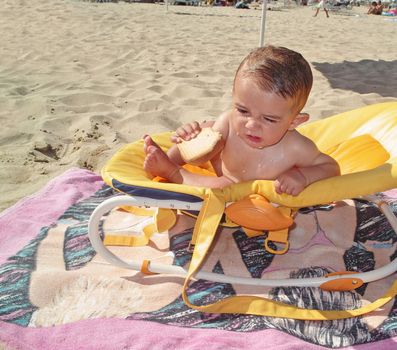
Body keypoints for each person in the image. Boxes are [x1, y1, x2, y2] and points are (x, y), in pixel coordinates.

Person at [143, 45, 340, 196]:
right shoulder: (229, 122)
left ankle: (174, 173)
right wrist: (190, 139)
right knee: (206, 132)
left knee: (225, 187)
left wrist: (303, 176)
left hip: (237, 188)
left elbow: (331, 167)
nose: (251, 125)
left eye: (269, 119)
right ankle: (166, 161)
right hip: (224, 171)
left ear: (294, 122)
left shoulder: (297, 147)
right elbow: (202, 156)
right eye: (242, 110)